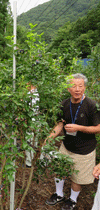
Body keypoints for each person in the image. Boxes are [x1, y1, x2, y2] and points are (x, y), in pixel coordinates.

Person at [44, 73, 100, 210]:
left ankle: (72, 200)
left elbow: (98, 128)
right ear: (68, 88)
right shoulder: (64, 104)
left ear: (84, 88)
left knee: (77, 178)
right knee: (59, 170)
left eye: (80, 86)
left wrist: (78, 128)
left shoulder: (92, 106)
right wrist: (48, 138)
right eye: (73, 86)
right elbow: (59, 124)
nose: (77, 89)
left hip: (84, 150)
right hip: (66, 146)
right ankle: (59, 194)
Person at [25, 83, 40, 168]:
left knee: (30, 140)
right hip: (34, 120)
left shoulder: (33, 94)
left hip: (32, 121)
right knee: (32, 140)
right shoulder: (32, 93)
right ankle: (31, 160)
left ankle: (29, 162)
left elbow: (32, 109)